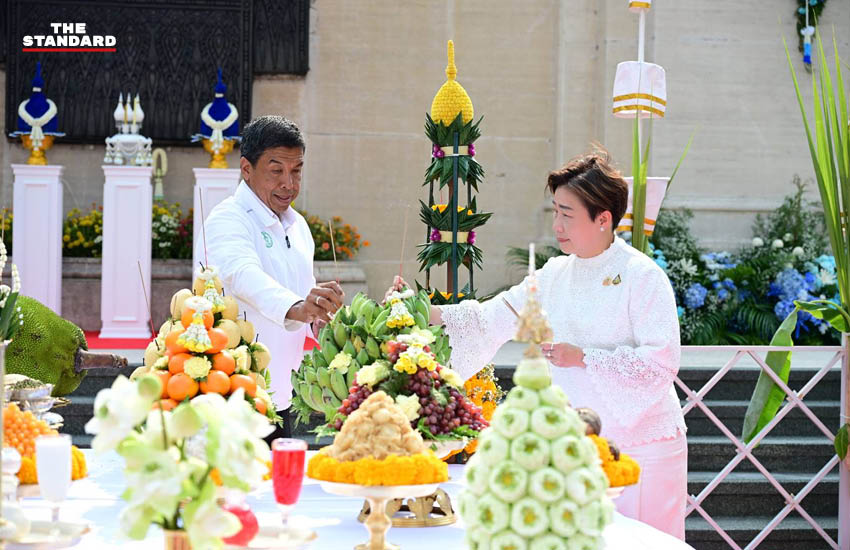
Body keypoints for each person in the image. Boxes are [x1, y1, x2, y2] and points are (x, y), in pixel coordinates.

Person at [389, 148, 687, 539]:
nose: (558, 226)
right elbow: (492, 316)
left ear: (603, 219)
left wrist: (584, 357)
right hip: (575, 445)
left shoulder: (641, 274)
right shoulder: (555, 273)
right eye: (555, 212)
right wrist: (419, 309)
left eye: (568, 214)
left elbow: (661, 361)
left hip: (643, 445)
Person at [206, 115, 344, 440]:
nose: (289, 184)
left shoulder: (299, 226)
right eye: (276, 170)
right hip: (234, 397)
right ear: (246, 169)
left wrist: (319, 316)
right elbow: (242, 275)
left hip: (281, 396)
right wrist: (297, 307)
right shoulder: (228, 218)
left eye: (296, 171)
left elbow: (302, 292)